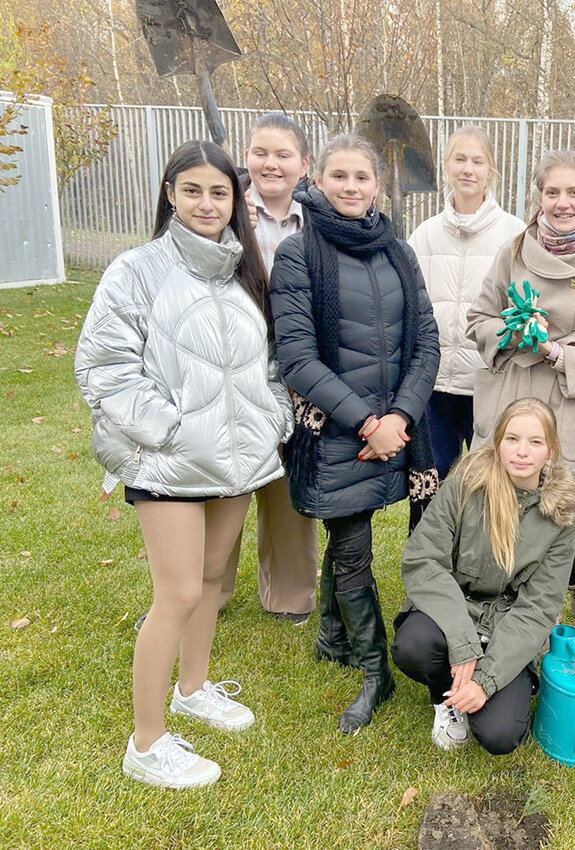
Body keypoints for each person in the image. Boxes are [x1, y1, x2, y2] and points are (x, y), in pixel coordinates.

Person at [75, 140, 292, 789]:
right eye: (192, 190)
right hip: (167, 465)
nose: (206, 203)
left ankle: (192, 690)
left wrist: (272, 418)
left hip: (236, 465)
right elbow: (103, 368)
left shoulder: (243, 275)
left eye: (219, 192)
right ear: (170, 192)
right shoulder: (135, 271)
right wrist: (170, 432)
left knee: (208, 578)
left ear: (236, 201)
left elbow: (272, 366)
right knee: (174, 593)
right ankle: (146, 744)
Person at [269, 133, 440, 734]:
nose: (350, 187)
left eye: (361, 177)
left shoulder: (398, 251)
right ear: (317, 181)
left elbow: (426, 344)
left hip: (400, 427)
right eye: (338, 176)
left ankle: (332, 636)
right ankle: (376, 672)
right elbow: (297, 357)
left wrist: (400, 419)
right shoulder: (297, 253)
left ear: (377, 184)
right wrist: (367, 422)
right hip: (340, 429)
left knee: (355, 544)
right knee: (350, 551)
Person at [466, 150, 575, 621]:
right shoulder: (514, 252)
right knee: (497, 508)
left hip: (565, 410)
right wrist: (514, 332)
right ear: (538, 199)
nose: (562, 203)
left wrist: (555, 351)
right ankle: (496, 609)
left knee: (549, 521)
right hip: (509, 399)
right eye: (551, 192)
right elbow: (477, 318)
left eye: (573, 192)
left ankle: (560, 591)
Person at [392, 398, 575, 754]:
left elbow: (538, 608)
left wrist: (486, 680)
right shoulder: (467, 481)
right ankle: (445, 698)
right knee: (413, 646)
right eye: (512, 439)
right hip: (455, 608)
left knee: (500, 735)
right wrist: (463, 644)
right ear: (497, 442)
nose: (522, 451)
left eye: (535, 442)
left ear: (551, 451)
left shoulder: (561, 514)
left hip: (506, 624)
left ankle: (476, 689)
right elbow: (423, 560)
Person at [214, 112, 320, 624]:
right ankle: (207, 590)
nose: (270, 163)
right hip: (230, 366)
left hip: (296, 366)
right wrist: (230, 235)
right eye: (260, 152)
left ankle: (291, 593)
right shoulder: (221, 210)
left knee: (287, 480)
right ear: (246, 157)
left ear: (305, 165)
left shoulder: (319, 220)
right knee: (223, 479)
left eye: (283, 155)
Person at [407, 125, 525, 483]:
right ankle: (427, 540)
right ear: (446, 166)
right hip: (435, 384)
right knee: (430, 482)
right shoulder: (424, 234)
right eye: (460, 159)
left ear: (491, 170)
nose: (468, 169)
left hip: (488, 382)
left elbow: (523, 308)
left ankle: (479, 542)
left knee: (484, 483)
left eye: (477, 161)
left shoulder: (514, 235)